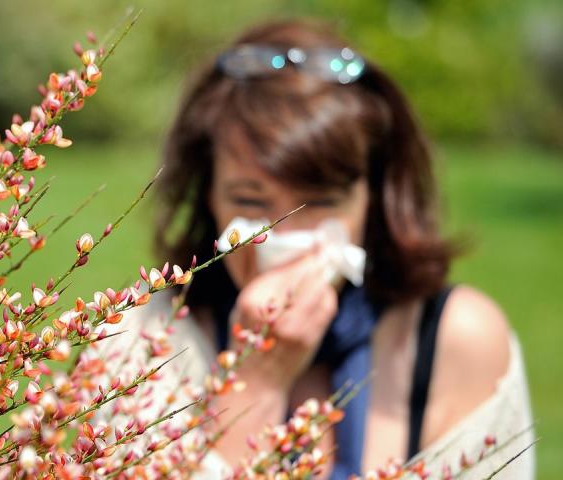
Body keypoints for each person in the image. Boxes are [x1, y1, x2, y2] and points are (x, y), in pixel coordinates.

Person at [109, 19, 534, 478]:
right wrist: (254, 380)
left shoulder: (457, 341)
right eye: (250, 201)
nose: (285, 234)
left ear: (373, 197)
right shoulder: (148, 341)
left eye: (322, 202)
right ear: (207, 194)